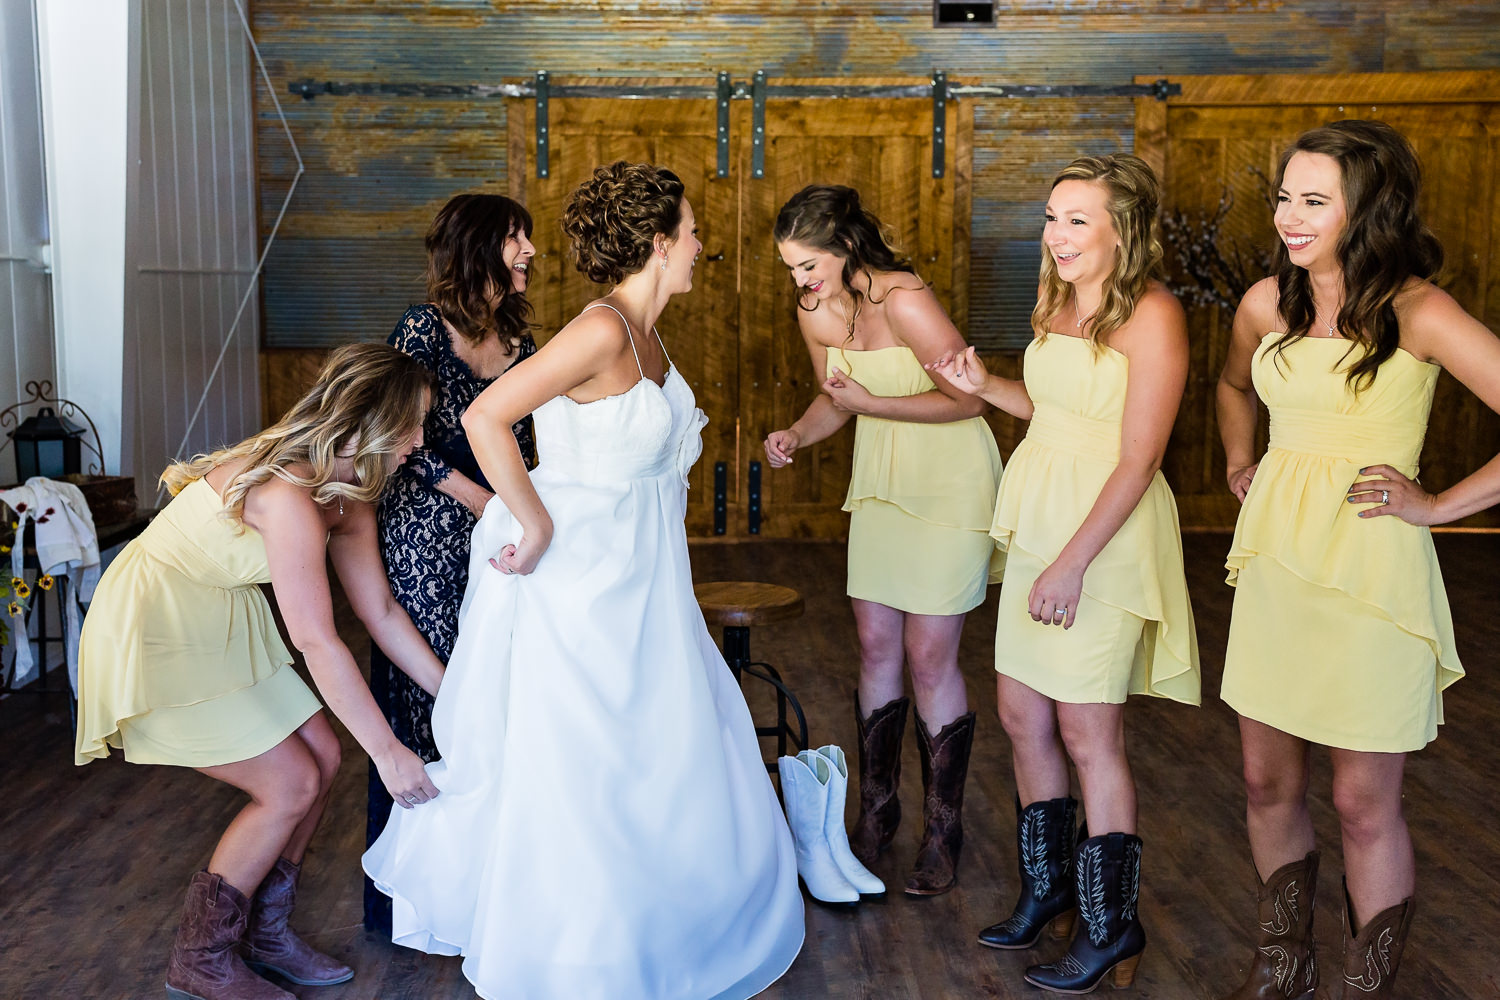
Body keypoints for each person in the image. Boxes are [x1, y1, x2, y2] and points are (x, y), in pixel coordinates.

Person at [364, 161, 804, 999]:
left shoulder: (650, 335)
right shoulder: (601, 330)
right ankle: (582, 947)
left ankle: (654, 924)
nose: (701, 243)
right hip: (582, 579)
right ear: (657, 242)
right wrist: (531, 522)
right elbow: (484, 416)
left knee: (651, 749)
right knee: (586, 758)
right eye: (692, 229)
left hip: (643, 575)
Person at [1216, 120, 1495, 1000]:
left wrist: (1440, 506)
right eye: (1283, 198)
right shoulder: (1268, 301)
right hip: (1275, 563)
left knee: (1362, 802)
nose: (1288, 218)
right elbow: (1231, 386)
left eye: (1313, 201)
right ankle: (1283, 971)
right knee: (1266, 782)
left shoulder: (1421, 311)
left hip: (1372, 573)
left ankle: (1364, 991)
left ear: (1367, 210)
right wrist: (1238, 462)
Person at [73, 343, 446, 1000]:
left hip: (216, 608)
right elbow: (317, 640)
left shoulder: (350, 494)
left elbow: (382, 613)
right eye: (413, 423)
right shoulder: (289, 494)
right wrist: (388, 754)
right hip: (162, 617)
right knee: (289, 785)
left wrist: (456, 696)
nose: (421, 439)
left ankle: (265, 934)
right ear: (370, 422)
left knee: (323, 756)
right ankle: (201, 960)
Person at [930, 154, 1200, 993]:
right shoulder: (1055, 298)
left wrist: (1074, 563)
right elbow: (1050, 409)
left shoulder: (1152, 314)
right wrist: (986, 386)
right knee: (1020, 712)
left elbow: (1138, 455)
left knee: (1089, 731)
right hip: (1042, 517)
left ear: (1126, 228)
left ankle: (1109, 925)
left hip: (1103, 536)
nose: (1056, 235)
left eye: (1078, 219)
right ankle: (1046, 893)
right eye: (1052, 217)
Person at [763, 185, 1002, 897]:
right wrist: (797, 435)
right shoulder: (815, 311)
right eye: (791, 269)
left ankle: (942, 828)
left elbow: (967, 397)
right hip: (882, 488)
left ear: (843, 247)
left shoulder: (904, 300)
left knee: (930, 654)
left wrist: (873, 404)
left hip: (949, 483)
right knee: (873, 643)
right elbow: (835, 399)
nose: (800, 281)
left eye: (808, 265)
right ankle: (876, 810)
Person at [364, 192, 539, 934]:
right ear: (478, 248)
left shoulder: (521, 340)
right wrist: (476, 496)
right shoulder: (421, 328)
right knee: (435, 691)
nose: (529, 250)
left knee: (496, 677)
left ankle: (489, 882)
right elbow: (398, 434)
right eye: (515, 238)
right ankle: (425, 901)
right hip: (424, 531)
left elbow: (526, 446)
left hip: (494, 529)